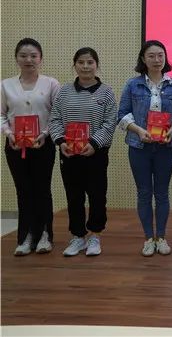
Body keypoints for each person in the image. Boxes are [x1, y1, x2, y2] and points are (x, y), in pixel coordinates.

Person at [118, 40, 172, 257]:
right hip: (139, 146)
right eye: (152, 56)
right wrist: (138, 131)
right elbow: (122, 115)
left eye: (160, 55)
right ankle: (148, 238)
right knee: (144, 193)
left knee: (162, 193)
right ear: (143, 59)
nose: (157, 60)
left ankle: (161, 237)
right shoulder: (133, 85)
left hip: (166, 146)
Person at [49, 47, 117, 257]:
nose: (85, 66)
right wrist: (61, 142)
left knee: (97, 196)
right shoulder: (64, 92)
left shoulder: (106, 92)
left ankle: (95, 235)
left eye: (90, 62)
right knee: (74, 196)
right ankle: (78, 236)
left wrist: (94, 144)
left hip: (95, 153)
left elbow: (110, 122)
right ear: (75, 65)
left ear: (97, 65)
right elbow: (54, 119)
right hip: (69, 154)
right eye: (81, 62)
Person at [1, 38, 60, 256]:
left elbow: (57, 114)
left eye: (33, 56)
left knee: (42, 190)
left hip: (43, 144)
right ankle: (25, 237)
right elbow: (1, 115)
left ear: (40, 59)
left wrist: (45, 134)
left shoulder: (51, 84)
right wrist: (9, 134)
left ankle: (44, 235)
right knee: (23, 190)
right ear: (16, 59)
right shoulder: (5, 85)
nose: (29, 60)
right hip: (15, 145)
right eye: (23, 55)